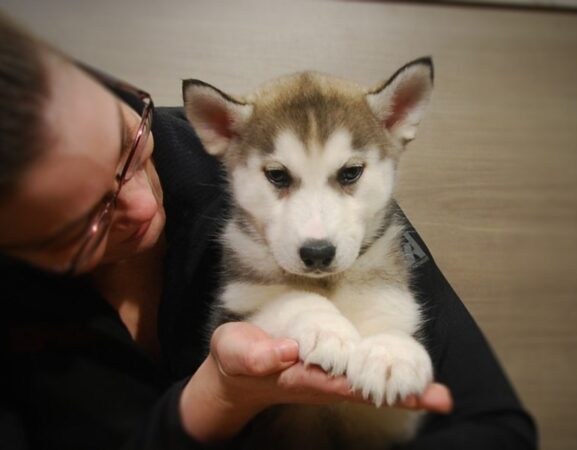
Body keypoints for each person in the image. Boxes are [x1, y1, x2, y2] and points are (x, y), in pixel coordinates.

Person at [0, 12, 537, 450]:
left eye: (128, 140)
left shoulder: (310, 166)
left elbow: (496, 426)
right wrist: (217, 398)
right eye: (88, 220)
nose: (142, 203)